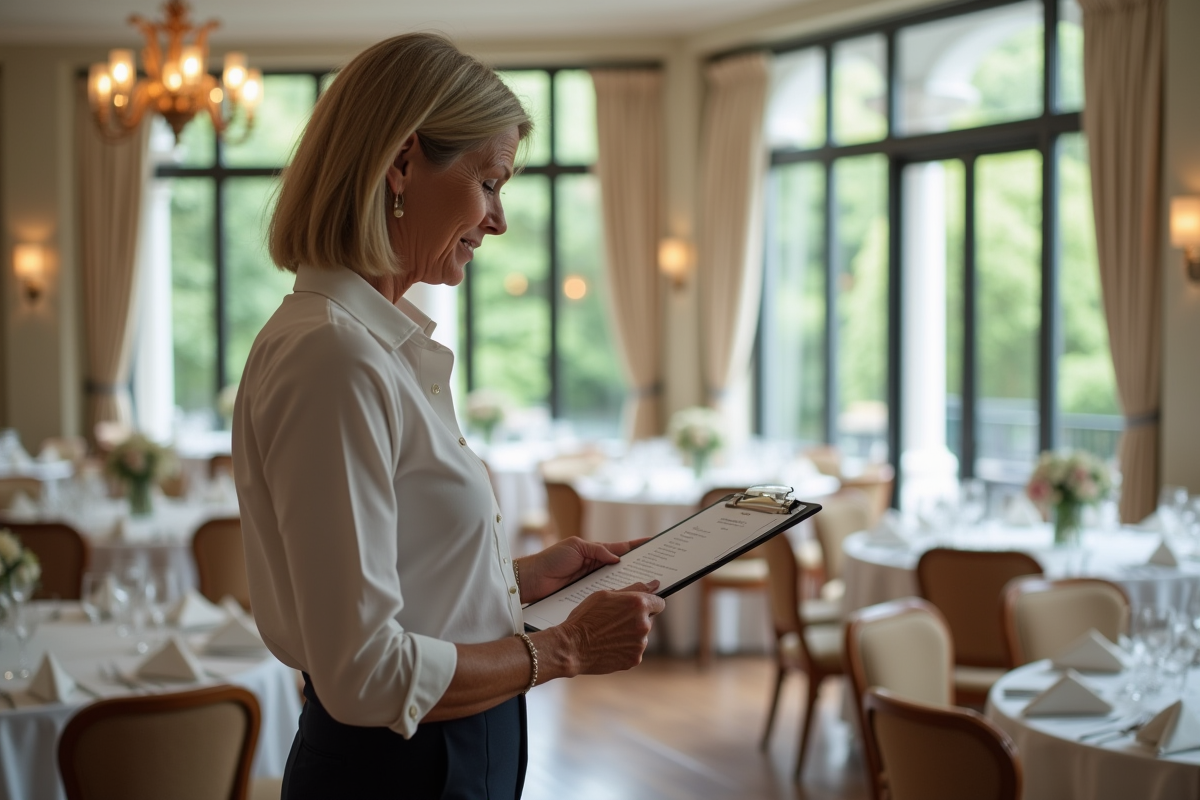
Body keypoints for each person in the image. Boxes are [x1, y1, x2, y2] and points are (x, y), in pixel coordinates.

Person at [232, 33, 665, 800]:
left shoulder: (374, 346)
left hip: (448, 750)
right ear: (402, 164)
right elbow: (365, 672)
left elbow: (404, 582)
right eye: (489, 182)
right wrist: (562, 649)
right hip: (396, 770)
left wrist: (520, 581)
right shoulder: (333, 358)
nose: (497, 219)